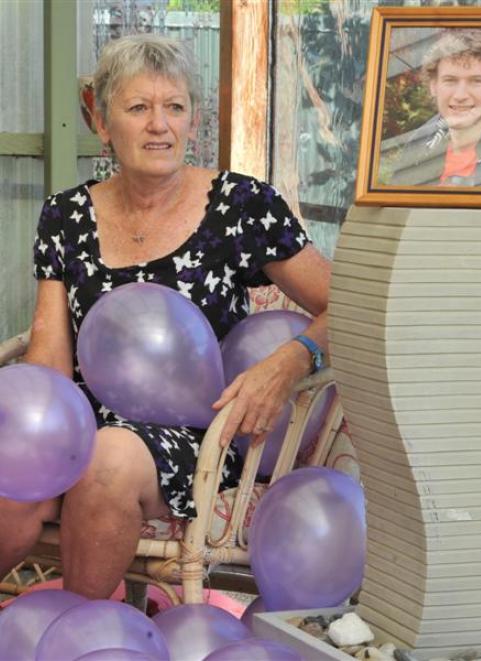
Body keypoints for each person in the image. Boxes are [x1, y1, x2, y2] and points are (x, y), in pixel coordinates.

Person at [0, 35, 331, 599]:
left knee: (109, 457)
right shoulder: (66, 215)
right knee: (14, 474)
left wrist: (293, 357)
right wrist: (27, 436)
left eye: (173, 107)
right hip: (87, 422)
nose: (160, 126)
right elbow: (50, 359)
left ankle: (84, 634)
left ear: (192, 119)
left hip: (201, 430)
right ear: (101, 122)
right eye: (138, 108)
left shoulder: (241, 205)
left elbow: (351, 304)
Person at [386, 28, 481, 186]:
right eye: (450, 80)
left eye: (476, 81)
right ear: (433, 86)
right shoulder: (420, 141)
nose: (460, 95)